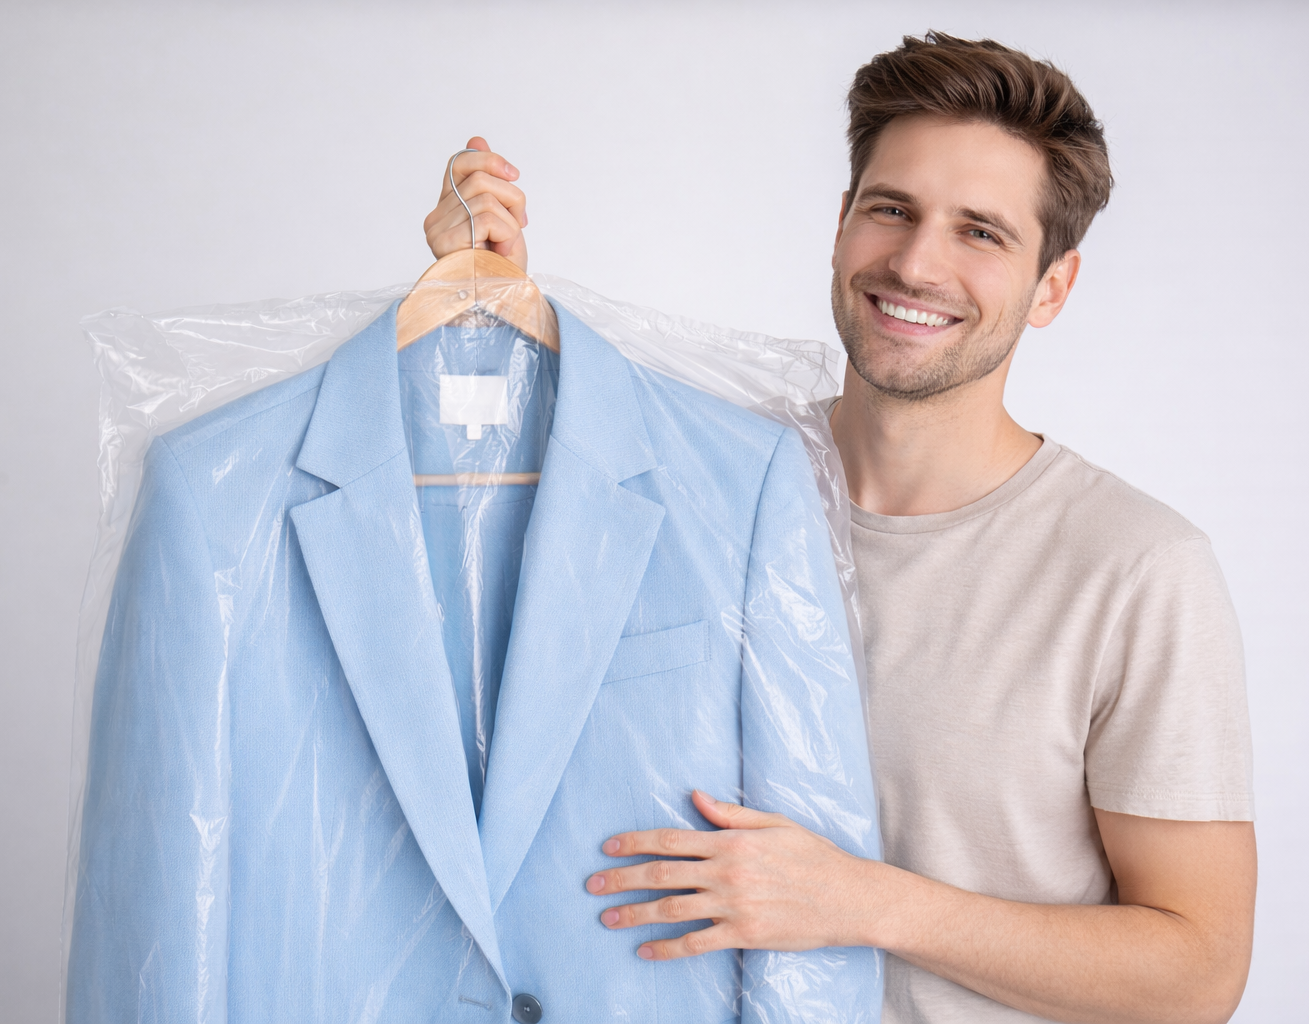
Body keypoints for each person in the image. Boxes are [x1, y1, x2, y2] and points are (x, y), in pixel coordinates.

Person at [425, 32, 1256, 1024]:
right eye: (891, 210)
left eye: (980, 232)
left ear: (1053, 287)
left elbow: (1198, 972)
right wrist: (487, 301)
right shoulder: (695, 490)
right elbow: (493, 565)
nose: (915, 262)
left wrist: (864, 902)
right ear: (839, 225)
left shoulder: (1137, 570)